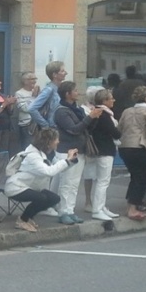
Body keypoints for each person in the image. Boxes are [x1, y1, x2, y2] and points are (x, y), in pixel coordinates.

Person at [5, 128, 78, 232]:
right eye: (56, 139)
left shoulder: (40, 153)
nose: (58, 141)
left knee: (54, 198)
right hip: (16, 188)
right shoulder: (33, 156)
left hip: (29, 186)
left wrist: (71, 161)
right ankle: (22, 220)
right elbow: (49, 172)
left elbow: (55, 169)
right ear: (49, 142)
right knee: (41, 198)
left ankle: (29, 217)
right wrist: (66, 160)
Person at [53, 81, 104, 225]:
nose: (78, 92)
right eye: (75, 90)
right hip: (67, 151)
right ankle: (63, 211)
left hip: (79, 150)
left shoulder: (77, 109)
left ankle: (70, 210)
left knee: (74, 183)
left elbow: (86, 128)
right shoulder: (61, 111)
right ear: (67, 94)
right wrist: (90, 117)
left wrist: (94, 118)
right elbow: (74, 129)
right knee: (66, 182)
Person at [118, 86, 146, 221]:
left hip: (124, 147)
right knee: (141, 179)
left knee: (134, 176)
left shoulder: (127, 111)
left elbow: (119, 128)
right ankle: (132, 209)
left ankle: (130, 205)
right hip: (139, 147)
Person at [86, 88, 122, 221]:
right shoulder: (104, 115)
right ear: (104, 101)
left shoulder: (96, 112)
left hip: (99, 149)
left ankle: (101, 207)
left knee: (100, 180)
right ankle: (97, 209)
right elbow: (115, 133)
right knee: (103, 181)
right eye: (111, 98)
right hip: (105, 149)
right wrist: (119, 131)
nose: (113, 100)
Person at [27, 60, 68, 130]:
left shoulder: (60, 88)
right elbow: (31, 108)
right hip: (53, 127)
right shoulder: (49, 89)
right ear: (54, 74)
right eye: (62, 71)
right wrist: (45, 125)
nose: (66, 73)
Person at [13, 72, 38, 150]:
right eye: (32, 79)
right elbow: (25, 109)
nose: (34, 81)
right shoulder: (19, 93)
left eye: (35, 79)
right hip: (27, 125)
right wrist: (33, 97)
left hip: (38, 124)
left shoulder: (37, 92)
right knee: (28, 149)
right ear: (25, 81)